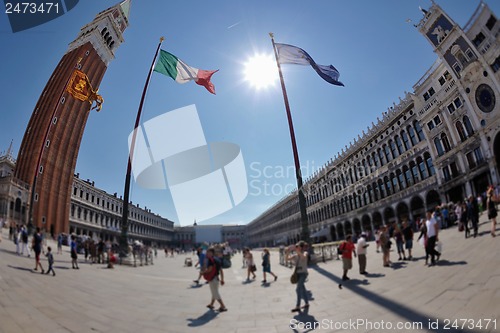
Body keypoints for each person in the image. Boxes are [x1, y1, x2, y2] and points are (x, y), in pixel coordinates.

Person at [286, 241, 309, 312]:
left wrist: (296, 250)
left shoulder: (305, 253)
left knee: (298, 289)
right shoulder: (295, 256)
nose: (296, 248)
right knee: (302, 289)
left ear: (301, 247)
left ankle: (297, 306)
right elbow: (287, 259)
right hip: (298, 274)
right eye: (296, 246)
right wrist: (287, 252)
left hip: (303, 274)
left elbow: (303, 257)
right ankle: (307, 303)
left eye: (298, 246)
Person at [203, 247, 227, 312]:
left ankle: (223, 306)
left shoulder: (210, 260)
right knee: (214, 292)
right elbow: (221, 270)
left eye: (208, 252)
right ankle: (211, 304)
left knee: (215, 293)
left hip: (212, 279)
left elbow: (210, 269)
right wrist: (222, 279)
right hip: (217, 278)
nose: (207, 253)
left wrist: (203, 272)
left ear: (211, 253)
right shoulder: (217, 259)